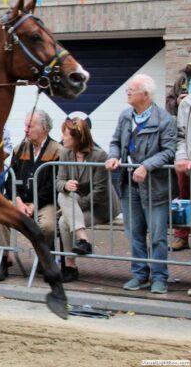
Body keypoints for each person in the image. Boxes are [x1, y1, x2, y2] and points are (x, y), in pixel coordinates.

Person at [106, 74, 176, 294]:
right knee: (134, 233)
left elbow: (169, 151)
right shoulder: (125, 117)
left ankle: (159, 278)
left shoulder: (164, 120)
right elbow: (115, 142)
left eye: (131, 89)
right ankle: (139, 274)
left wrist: (146, 165)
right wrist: (113, 156)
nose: (127, 92)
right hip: (130, 185)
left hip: (156, 187)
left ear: (145, 94)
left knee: (157, 236)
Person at [0, 110, 60, 275]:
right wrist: (17, 201)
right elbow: (10, 178)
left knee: (48, 226)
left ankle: (42, 258)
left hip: (45, 203)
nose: (25, 129)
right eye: (25, 125)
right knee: (1, 216)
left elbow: (52, 185)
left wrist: (34, 205)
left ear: (44, 128)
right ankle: (2, 260)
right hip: (21, 200)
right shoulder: (20, 149)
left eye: (30, 126)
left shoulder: (57, 150)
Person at [56, 117, 120, 282]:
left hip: (101, 207)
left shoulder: (99, 156)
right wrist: (66, 184)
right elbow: (59, 181)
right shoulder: (65, 153)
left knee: (64, 220)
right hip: (77, 203)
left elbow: (100, 192)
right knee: (62, 196)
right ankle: (79, 246)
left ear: (77, 137)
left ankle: (71, 264)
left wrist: (75, 206)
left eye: (65, 134)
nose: (62, 138)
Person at [174, 93, 191, 253]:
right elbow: (180, 136)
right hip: (186, 162)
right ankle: (181, 236)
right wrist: (182, 157)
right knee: (183, 199)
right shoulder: (187, 103)